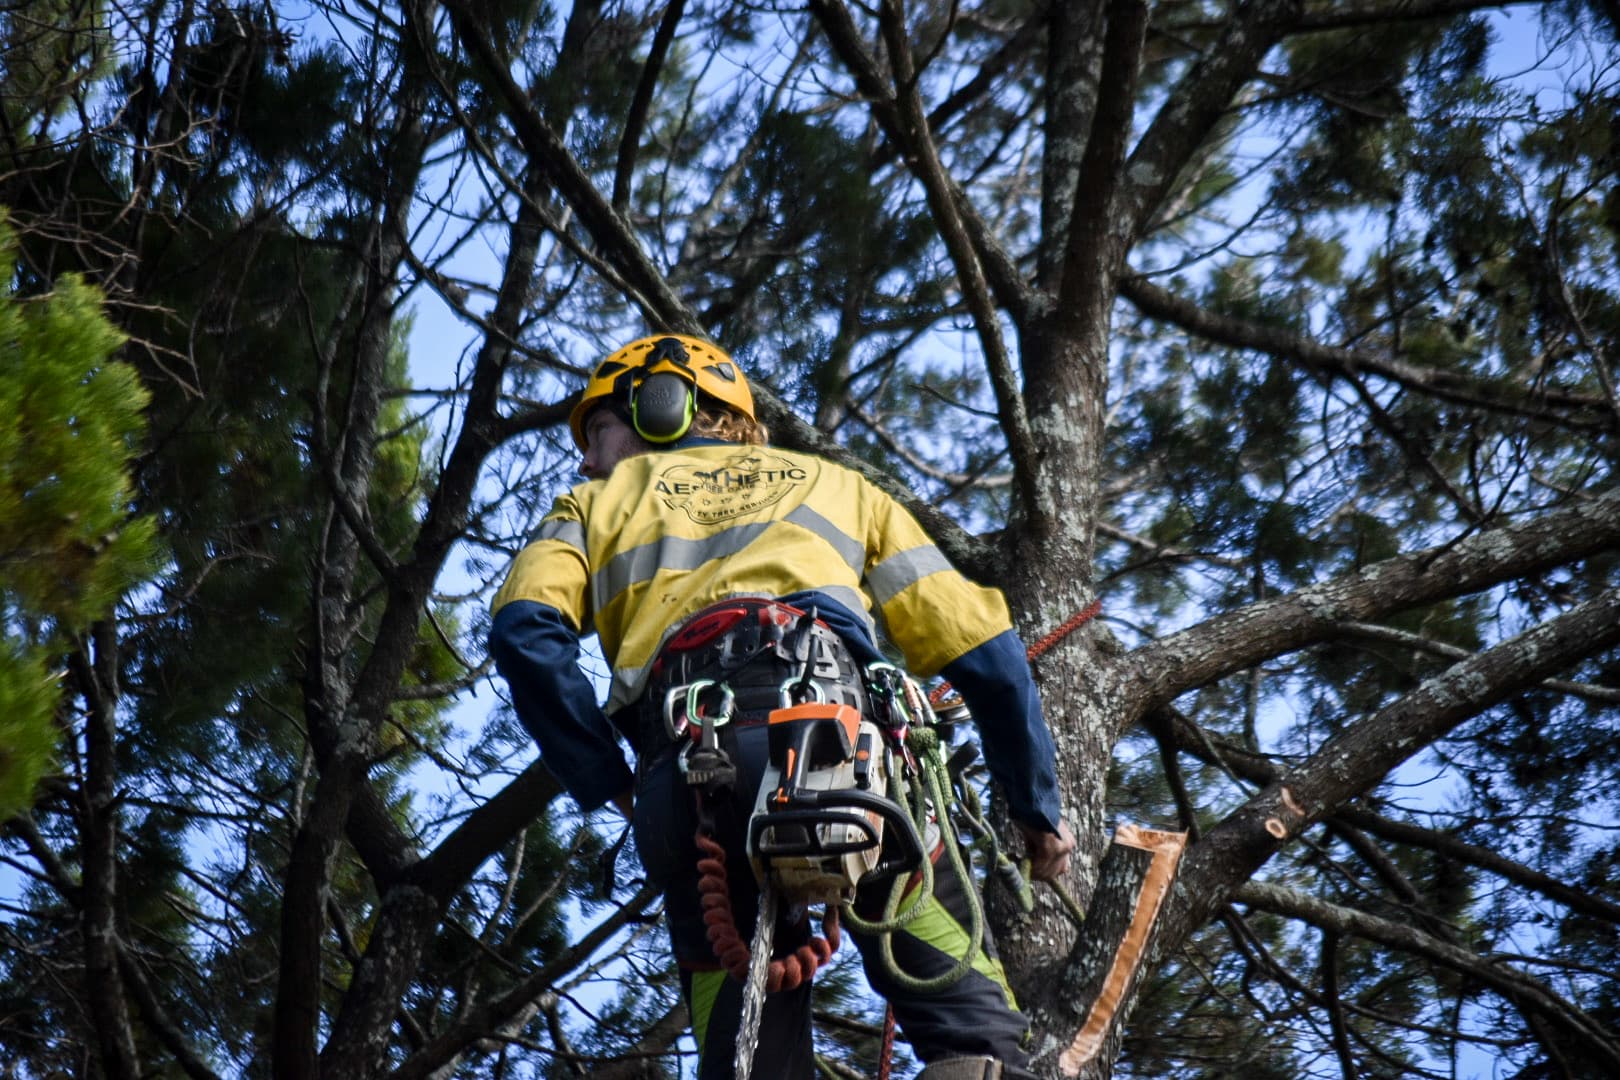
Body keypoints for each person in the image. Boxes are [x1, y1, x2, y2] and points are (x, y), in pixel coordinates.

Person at [489, 333, 1076, 1080]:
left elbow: (523, 632)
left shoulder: (590, 505)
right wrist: (1034, 804)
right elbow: (988, 651)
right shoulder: (840, 488)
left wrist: (607, 777)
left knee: (745, 1060)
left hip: (690, 776)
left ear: (661, 405)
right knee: (978, 1041)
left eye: (598, 429)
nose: (587, 457)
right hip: (845, 758)